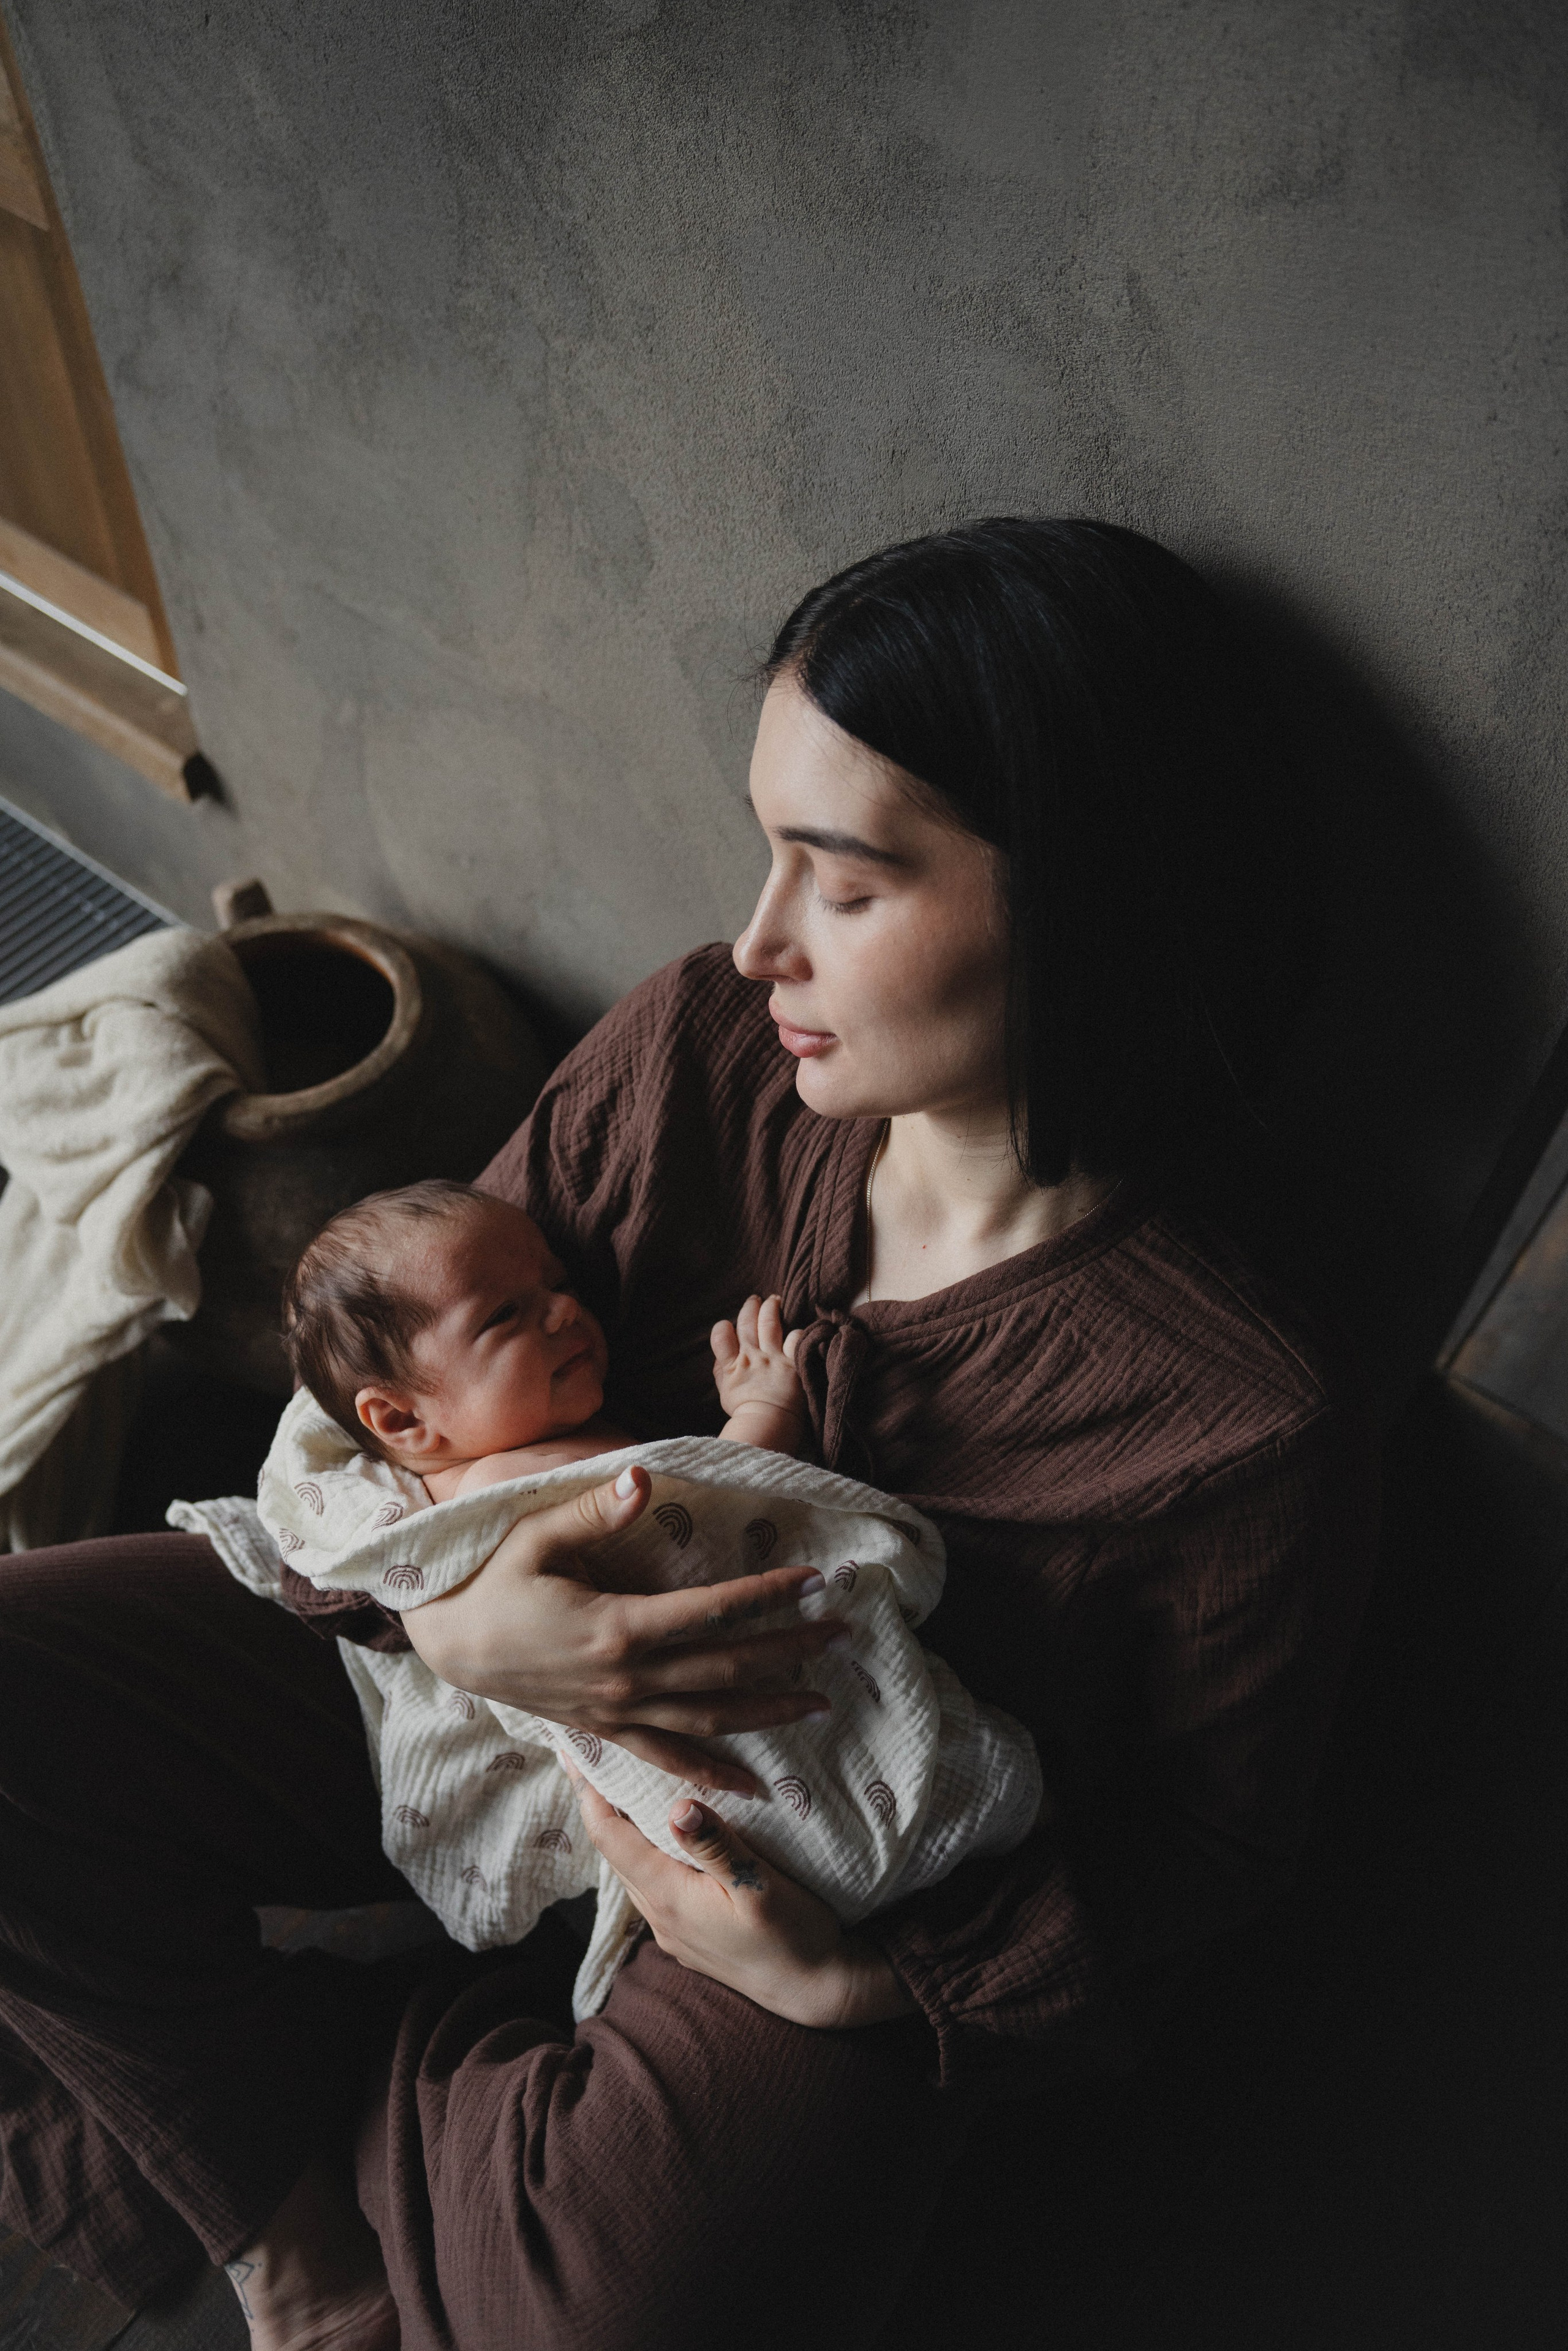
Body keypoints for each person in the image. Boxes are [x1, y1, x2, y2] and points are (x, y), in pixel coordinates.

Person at [0, 517, 1377, 2351]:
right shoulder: (696, 1051)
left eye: (844, 883)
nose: (757, 939)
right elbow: (374, 1401)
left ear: (1080, 907)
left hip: (775, 1883)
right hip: (439, 1713)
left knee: (628, 2301)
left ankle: (326, 2059)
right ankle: (298, 2235)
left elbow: (1204, 1851)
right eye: (765, 848)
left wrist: (860, 1984)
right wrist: (453, 1619)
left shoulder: (1235, 1415)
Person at [254, 1180, 1041, 1996]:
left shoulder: (483, 1450)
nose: (565, 1311)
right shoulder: (508, 1481)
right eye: (505, 1316)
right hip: (735, 1768)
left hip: (722, 1831)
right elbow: (710, 1514)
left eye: (557, 1284)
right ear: (401, 1421)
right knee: (969, 1785)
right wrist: (764, 1414)